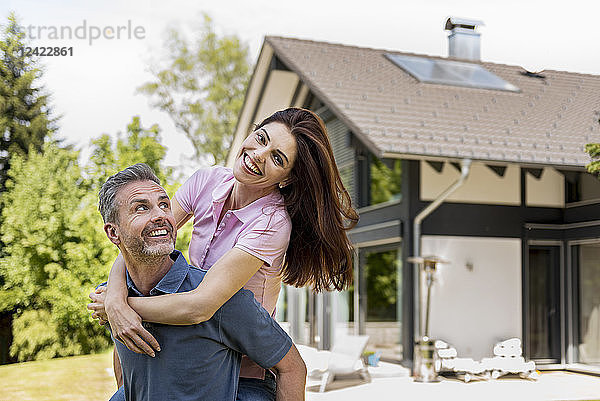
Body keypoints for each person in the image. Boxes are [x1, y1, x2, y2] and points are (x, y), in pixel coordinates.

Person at [89, 108, 358, 400]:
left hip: (246, 368)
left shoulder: (272, 222)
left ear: (288, 179)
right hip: (199, 342)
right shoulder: (207, 181)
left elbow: (200, 306)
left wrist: (123, 308)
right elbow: (138, 239)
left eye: (277, 158)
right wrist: (115, 299)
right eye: (261, 138)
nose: (259, 155)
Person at [96, 163, 306, 401]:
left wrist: (119, 307)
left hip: (251, 376)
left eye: (164, 205)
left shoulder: (226, 300)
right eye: (141, 208)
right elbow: (128, 373)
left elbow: (292, 367)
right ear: (113, 233)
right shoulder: (112, 297)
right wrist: (115, 303)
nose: (161, 215)